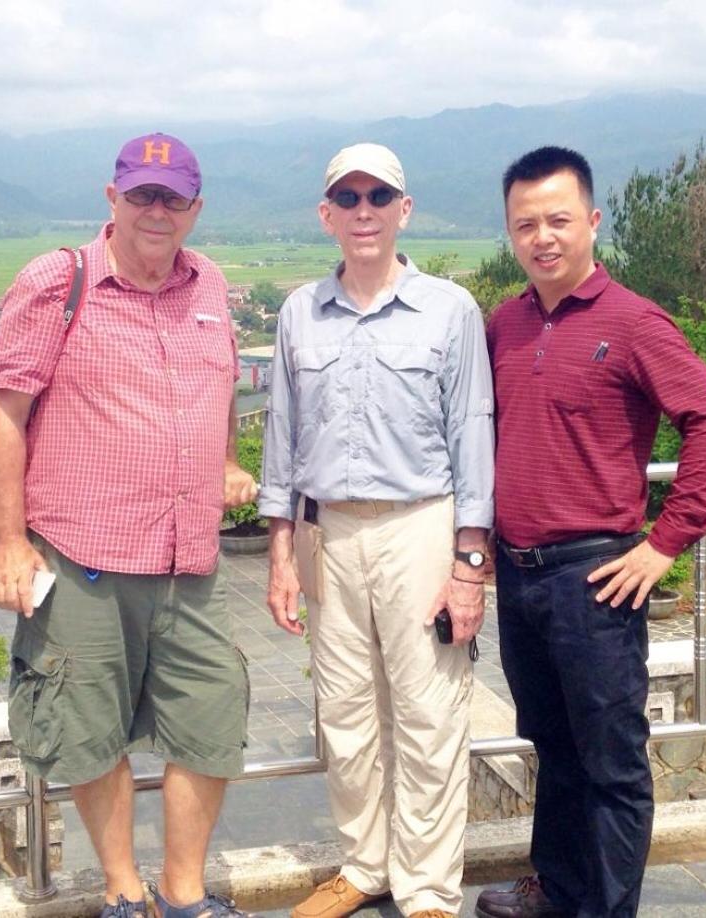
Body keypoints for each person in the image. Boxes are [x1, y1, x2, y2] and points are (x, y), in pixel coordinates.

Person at [0, 132, 258, 918]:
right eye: (141, 194)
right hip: (84, 558)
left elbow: (217, 391)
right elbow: (4, 414)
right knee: (88, 729)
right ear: (113, 198)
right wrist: (9, 540)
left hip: (189, 557)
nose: (156, 210)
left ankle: (184, 891)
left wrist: (225, 460)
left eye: (172, 198)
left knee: (211, 720)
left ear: (195, 209)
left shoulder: (210, 285)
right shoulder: (58, 280)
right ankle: (124, 891)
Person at [475, 146, 706, 918]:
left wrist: (664, 543)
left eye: (558, 220)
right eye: (526, 224)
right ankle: (557, 890)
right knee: (552, 746)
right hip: (518, 574)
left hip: (594, 577)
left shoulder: (633, 323)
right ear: (511, 232)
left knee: (610, 760)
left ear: (592, 221)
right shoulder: (505, 324)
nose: (543, 237)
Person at [260, 143, 495, 918]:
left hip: (419, 526)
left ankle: (427, 889)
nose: (364, 211)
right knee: (344, 712)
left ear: (404, 210)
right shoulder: (300, 313)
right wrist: (280, 555)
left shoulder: (450, 311)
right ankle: (365, 865)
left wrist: (469, 564)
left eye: (378, 197)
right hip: (327, 532)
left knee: (429, 711)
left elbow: (473, 437)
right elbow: (282, 441)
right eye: (348, 198)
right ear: (326, 214)